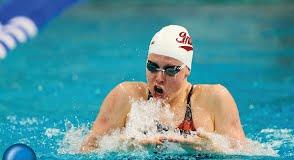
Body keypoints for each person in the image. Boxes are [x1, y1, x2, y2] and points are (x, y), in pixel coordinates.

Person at [81, 25, 245, 152]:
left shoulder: (215, 99)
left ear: (187, 70)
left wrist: (213, 149)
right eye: (152, 67)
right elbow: (85, 151)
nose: (159, 78)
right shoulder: (125, 96)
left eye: (170, 70)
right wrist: (123, 147)